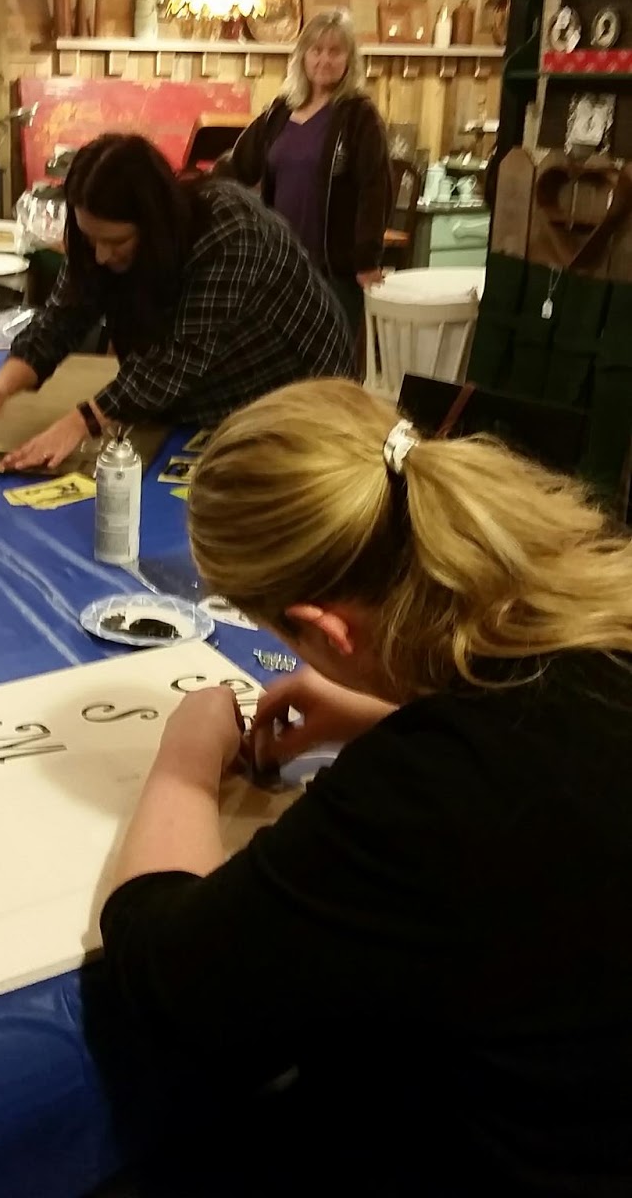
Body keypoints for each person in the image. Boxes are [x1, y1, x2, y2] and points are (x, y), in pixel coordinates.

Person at [94, 380, 632, 1196]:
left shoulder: (436, 791)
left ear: (327, 630)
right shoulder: (598, 601)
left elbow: (170, 984)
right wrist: (390, 711)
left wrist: (186, 763)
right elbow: (558, 748)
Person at [0, 134, 353, 470]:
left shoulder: (230, 230)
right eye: (91, 238)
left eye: (116, 242)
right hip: (199, 396)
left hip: (298, 389)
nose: (100, 255)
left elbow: (175, 360)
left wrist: (81, 422)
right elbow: (60, 318)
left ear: (154, 224)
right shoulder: (96, 241)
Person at [224, 8, 392, 336]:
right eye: (316, 50)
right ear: (302, 55)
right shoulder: (279, 112)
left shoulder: (359, 116)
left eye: (335, 51)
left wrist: (366, 261)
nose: (324, 60)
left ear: (349, 60)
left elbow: (375, 190)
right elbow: (237, 167)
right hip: (279, 268)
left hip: (334, 272)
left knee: (329, 359)